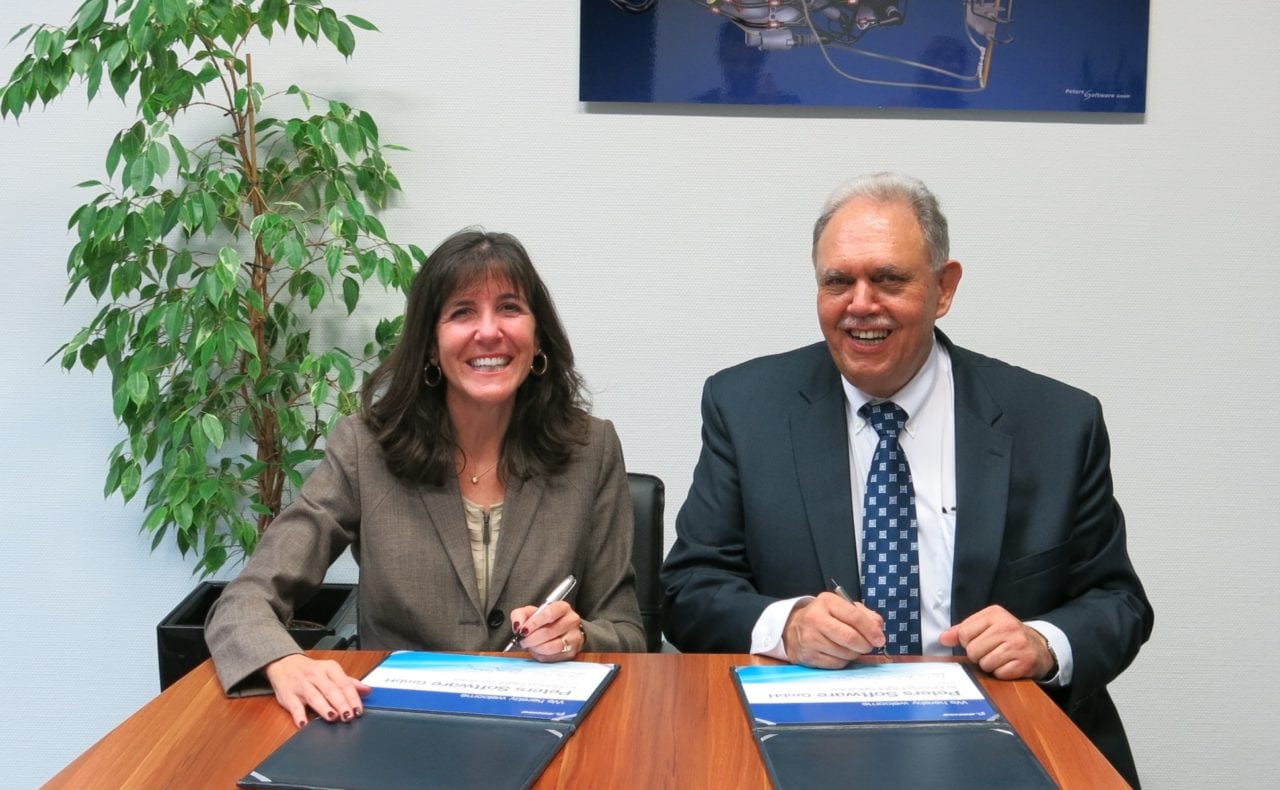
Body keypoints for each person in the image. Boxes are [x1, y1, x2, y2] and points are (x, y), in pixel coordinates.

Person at [659, 172, 1153, 786]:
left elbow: (1118, 602)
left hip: (1009, 731)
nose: (861, 304)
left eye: (889, 279)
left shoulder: (1055, 422)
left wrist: (1044, 641)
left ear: (944, 289)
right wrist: (786, 627)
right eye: (838, 281)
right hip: (809, 741)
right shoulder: (745, 406)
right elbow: (688, 588)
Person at [207, 229, 645, 728]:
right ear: (432, 346)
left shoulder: (591, 449)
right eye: (462, 312)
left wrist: (579, 635)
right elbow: (245, 600)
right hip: (399, 729)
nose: (488, 332)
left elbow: (628, 630)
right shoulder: (365, 448)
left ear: (537, 336)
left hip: (545, 725)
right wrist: (283, 662)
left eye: (509, 308)